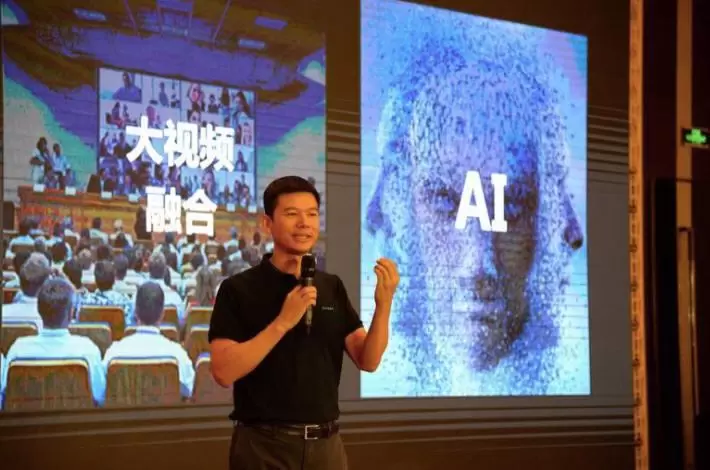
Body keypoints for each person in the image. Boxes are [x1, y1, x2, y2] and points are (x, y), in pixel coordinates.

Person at [209, 176, 400, 470]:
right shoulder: (238, 289)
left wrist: (384, 305)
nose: (304, 223)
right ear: (267, 224)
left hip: (326, 447)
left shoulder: (331, 286)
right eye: (292, 214)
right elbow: (223, 371)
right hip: (264, 448)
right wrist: (282, 323)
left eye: (311, 214)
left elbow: (369, 359)